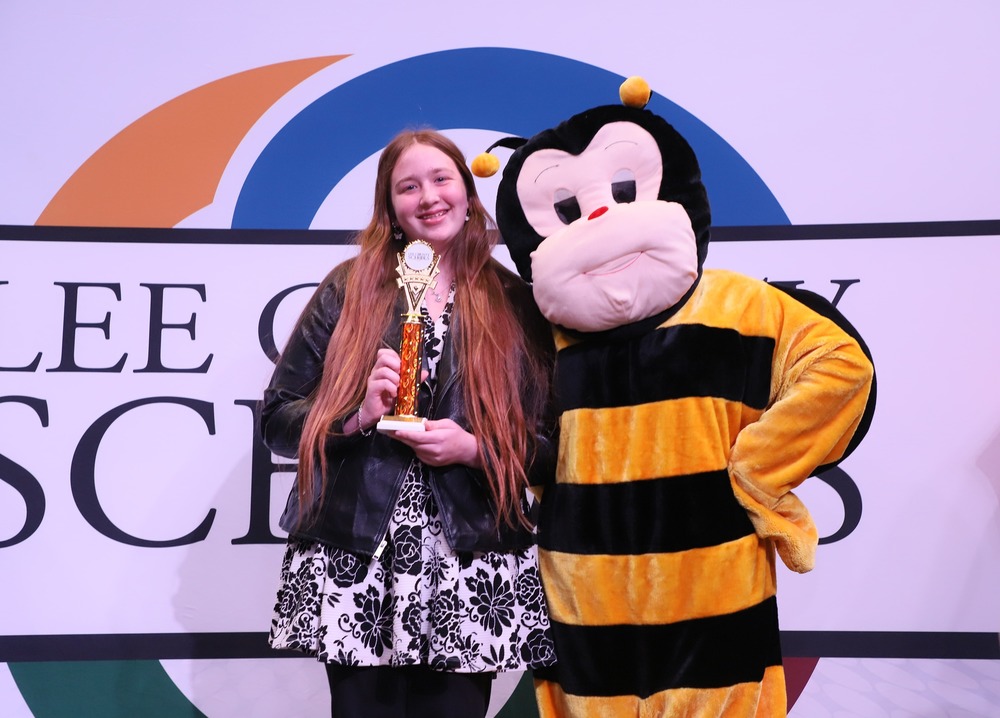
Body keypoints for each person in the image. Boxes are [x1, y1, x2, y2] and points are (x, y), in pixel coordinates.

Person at [260, 128, 558, 718]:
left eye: (441, 179)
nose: (428, 197)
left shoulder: (515, 302)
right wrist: (354, 418)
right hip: (357, 553)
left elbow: (557, 446)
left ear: (469, 195)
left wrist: (477, 449)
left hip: (471, 554)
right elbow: (277, 421)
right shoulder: (349, 288)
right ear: (390, 208)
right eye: (408, 187)